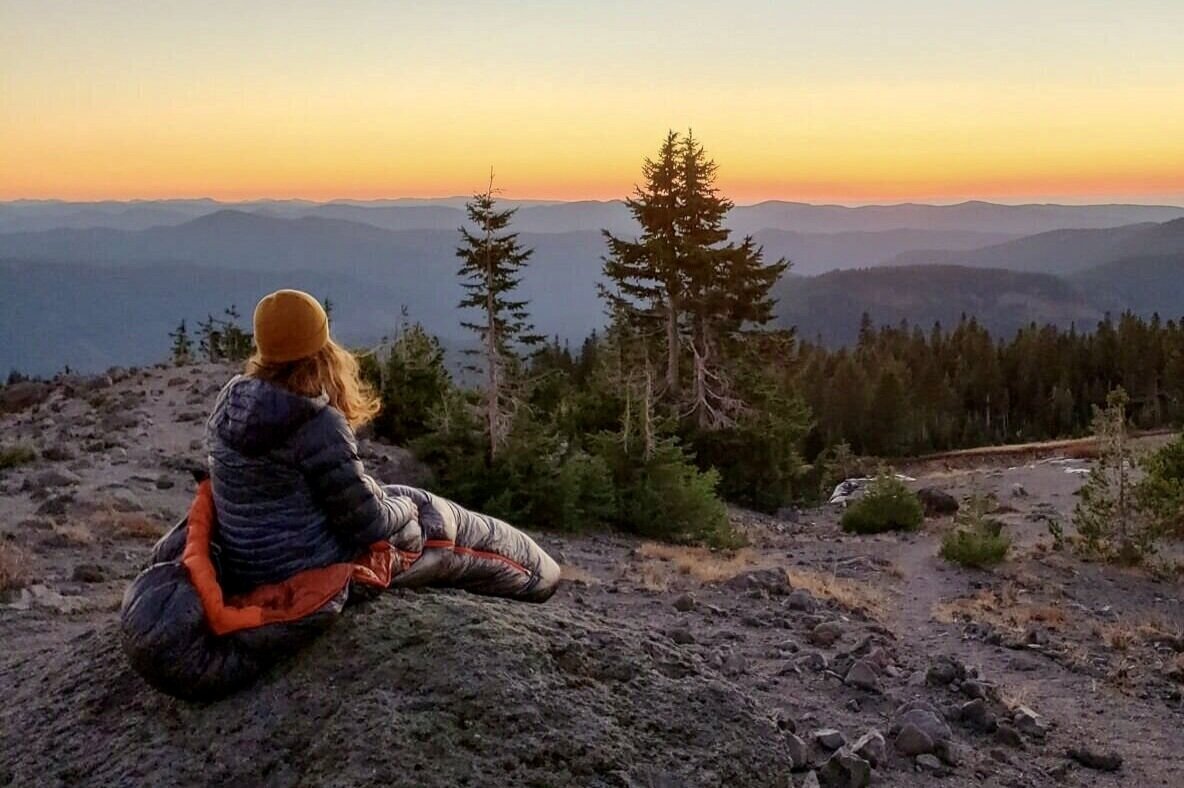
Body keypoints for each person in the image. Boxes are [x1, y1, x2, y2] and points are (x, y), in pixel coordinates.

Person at [120, 289, 558, 699]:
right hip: (310, 569)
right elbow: (367, 522)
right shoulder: (316, 424)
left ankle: (535, 570)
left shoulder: (229, 404)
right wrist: (403, 507)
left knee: (400, 500)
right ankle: (540, 577)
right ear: (319, 351)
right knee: (430, 523)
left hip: (248, 564)